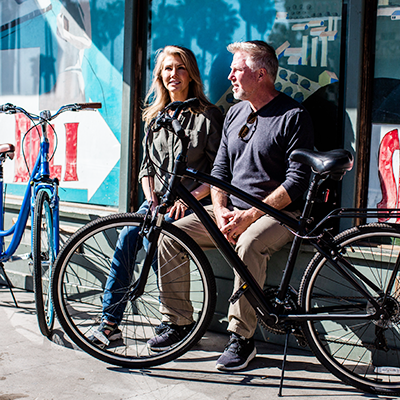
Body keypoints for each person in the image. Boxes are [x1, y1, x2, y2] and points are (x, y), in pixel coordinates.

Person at [148, 41, 314, 371]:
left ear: (261, 73)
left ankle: (241, 338)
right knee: (170, 236)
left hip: (278, 214)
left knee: (249, 244)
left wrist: (250, 215)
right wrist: (221, 211)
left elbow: (297, 182)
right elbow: (219, 171)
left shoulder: (293, 116)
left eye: (236, 70)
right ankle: (178, 322)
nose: (230, 76)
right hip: (232, 210)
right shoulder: (235, 113)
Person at [89, 45, 223, 345]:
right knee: (126, 237)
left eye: (180, 68)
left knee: (161, 238)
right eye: (167, 69)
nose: (173, 74)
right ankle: (110, 323)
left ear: (191, 74)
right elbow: (146, 167)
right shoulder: (154, 116)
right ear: (159, 76)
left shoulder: (208, 115)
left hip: (190, 205)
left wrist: (186, 201)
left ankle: (175, 320)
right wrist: (151, 199)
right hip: (156, 202)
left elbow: (218, 173)